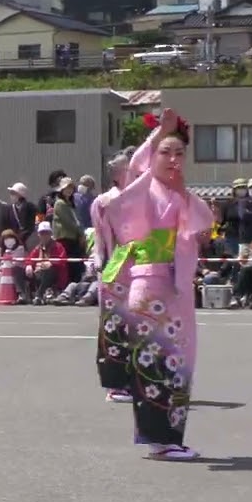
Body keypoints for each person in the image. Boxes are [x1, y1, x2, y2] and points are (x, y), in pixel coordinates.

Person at [93, 108, 213, 461]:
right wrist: (160, 132)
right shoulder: (142, 188)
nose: (173, 159)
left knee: (180, 360)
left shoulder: (181, 195)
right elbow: (136, 166)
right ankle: (159, 440)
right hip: (150, 283)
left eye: (179, 153)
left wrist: (183, 193)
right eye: (165, 152)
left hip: (177, 287)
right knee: (157, 361)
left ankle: (169, 437)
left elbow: (203, 228)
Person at [92, 147, 137, 403]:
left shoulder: (146, 198)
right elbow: (99, 238)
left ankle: (138, 380)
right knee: (114, 327)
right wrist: (99, 259)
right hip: (114, 269)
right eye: (127, 168)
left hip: (143, 271)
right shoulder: (103, 202)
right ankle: (116, 385)